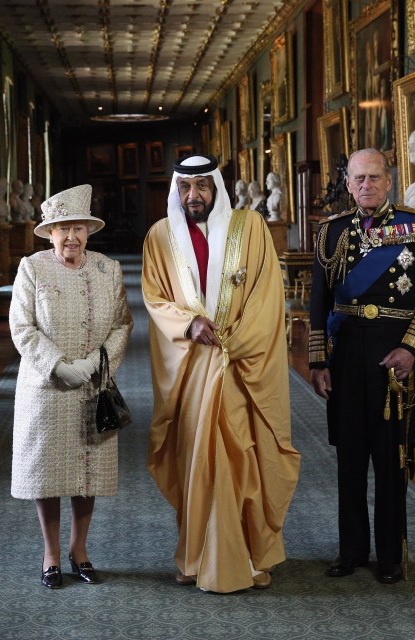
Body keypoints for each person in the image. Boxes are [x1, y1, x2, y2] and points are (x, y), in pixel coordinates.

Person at [141, 154, 301, 593]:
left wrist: (235, 343)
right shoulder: (159, 237)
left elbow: (268, 293)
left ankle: (250, 557)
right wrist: (189, 324)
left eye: (202, 187)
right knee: (196, 459)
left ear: (216, 188)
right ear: (176, 191)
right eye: (186, 188)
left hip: (238, 363)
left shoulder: (250, 228)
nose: (194, 196)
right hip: (192, 365)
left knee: (242, 454)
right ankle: (196, 556)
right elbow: (154, 299)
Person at [308, 148, 415, 585]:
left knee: (391, 462)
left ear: (389, 180)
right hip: (346, 362)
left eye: (374, 177)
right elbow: (319, 303)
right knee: (349, 463)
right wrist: (317, 361)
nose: (366, 185)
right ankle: (350, 552)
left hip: (394, 363)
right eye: (358, 179)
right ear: (347, 184)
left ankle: (389, 556)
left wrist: (412, 350)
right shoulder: (331, 232)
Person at [9, 183, 134, 590]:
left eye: (78, 228)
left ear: (88, 231)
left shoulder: (107, 269)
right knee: (48, 474)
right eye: (62, 229)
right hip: (47, 389)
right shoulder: (32, 268)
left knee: (87, 473)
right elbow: (21, 327)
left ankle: (79, 550)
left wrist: (97, 365)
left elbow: (122, 324)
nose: (71, 237)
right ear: (50, 233)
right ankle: (50, 554)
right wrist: (59, 366)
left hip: (92, 388)